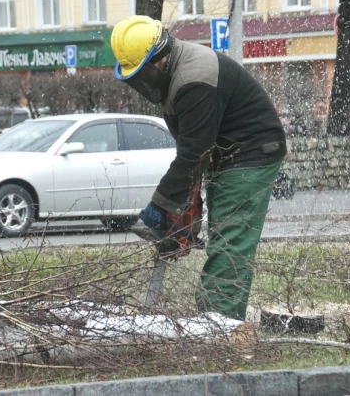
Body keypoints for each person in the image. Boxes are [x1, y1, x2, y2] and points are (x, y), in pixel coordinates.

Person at [110, 16, 287, 321]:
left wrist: (160, 206)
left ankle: (220, 324)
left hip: (251, 153)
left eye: (143, 73)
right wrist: (182, 204)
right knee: (223, 236)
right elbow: (193, 149)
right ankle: (212, 316)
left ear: (158, 59)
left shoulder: (194, 78)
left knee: (230, 240)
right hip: (225, 155)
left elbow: (194, 153)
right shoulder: (172, 76)